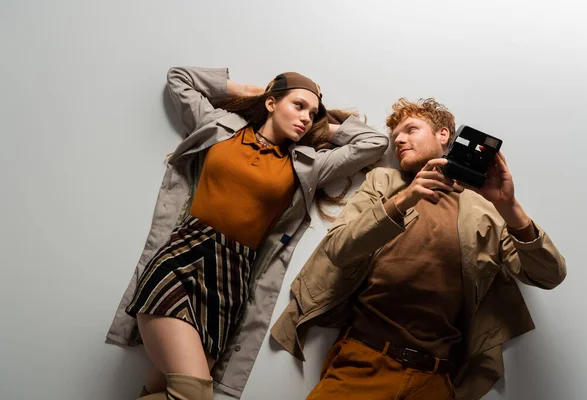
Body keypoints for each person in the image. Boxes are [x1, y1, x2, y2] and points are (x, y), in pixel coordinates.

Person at [105, 66, 389, 400]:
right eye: (298, 106)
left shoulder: (308, 165)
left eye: (312, 113)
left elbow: (374, 143)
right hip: (182, 260)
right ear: (272, 103)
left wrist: (326, 126)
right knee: (193, 393)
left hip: (232, 280)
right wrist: (246, 91)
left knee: (164, 390)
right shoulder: (219, 126)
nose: (306, 118)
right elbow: (178, 78)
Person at [271, 98, 567, 400]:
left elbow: (549, 276)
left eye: (411, 129)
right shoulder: (383, 182)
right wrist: (405, 198)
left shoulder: (486, 209)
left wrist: (509, 206)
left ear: (443, 135)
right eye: (395, 135)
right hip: (364, 362)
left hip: (436, 379)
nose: (399, 139)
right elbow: (338, 249)